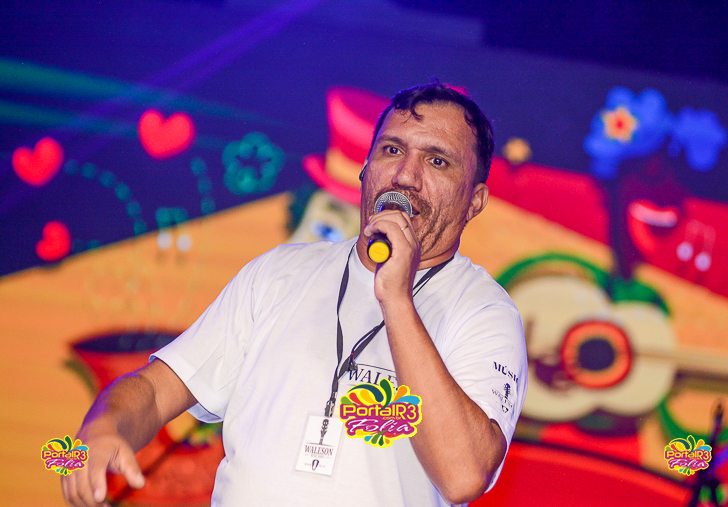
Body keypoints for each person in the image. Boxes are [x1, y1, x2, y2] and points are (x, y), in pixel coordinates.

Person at [61, 83, 528, 507]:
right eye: (392, 149)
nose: (406, 176)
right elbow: (154, 389)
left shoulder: (483, 310)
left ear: (475, 201)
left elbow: (464, 476)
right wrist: (104, 427)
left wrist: (398, 300)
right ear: (366, 170)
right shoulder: (279, 273)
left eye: (437, 160)